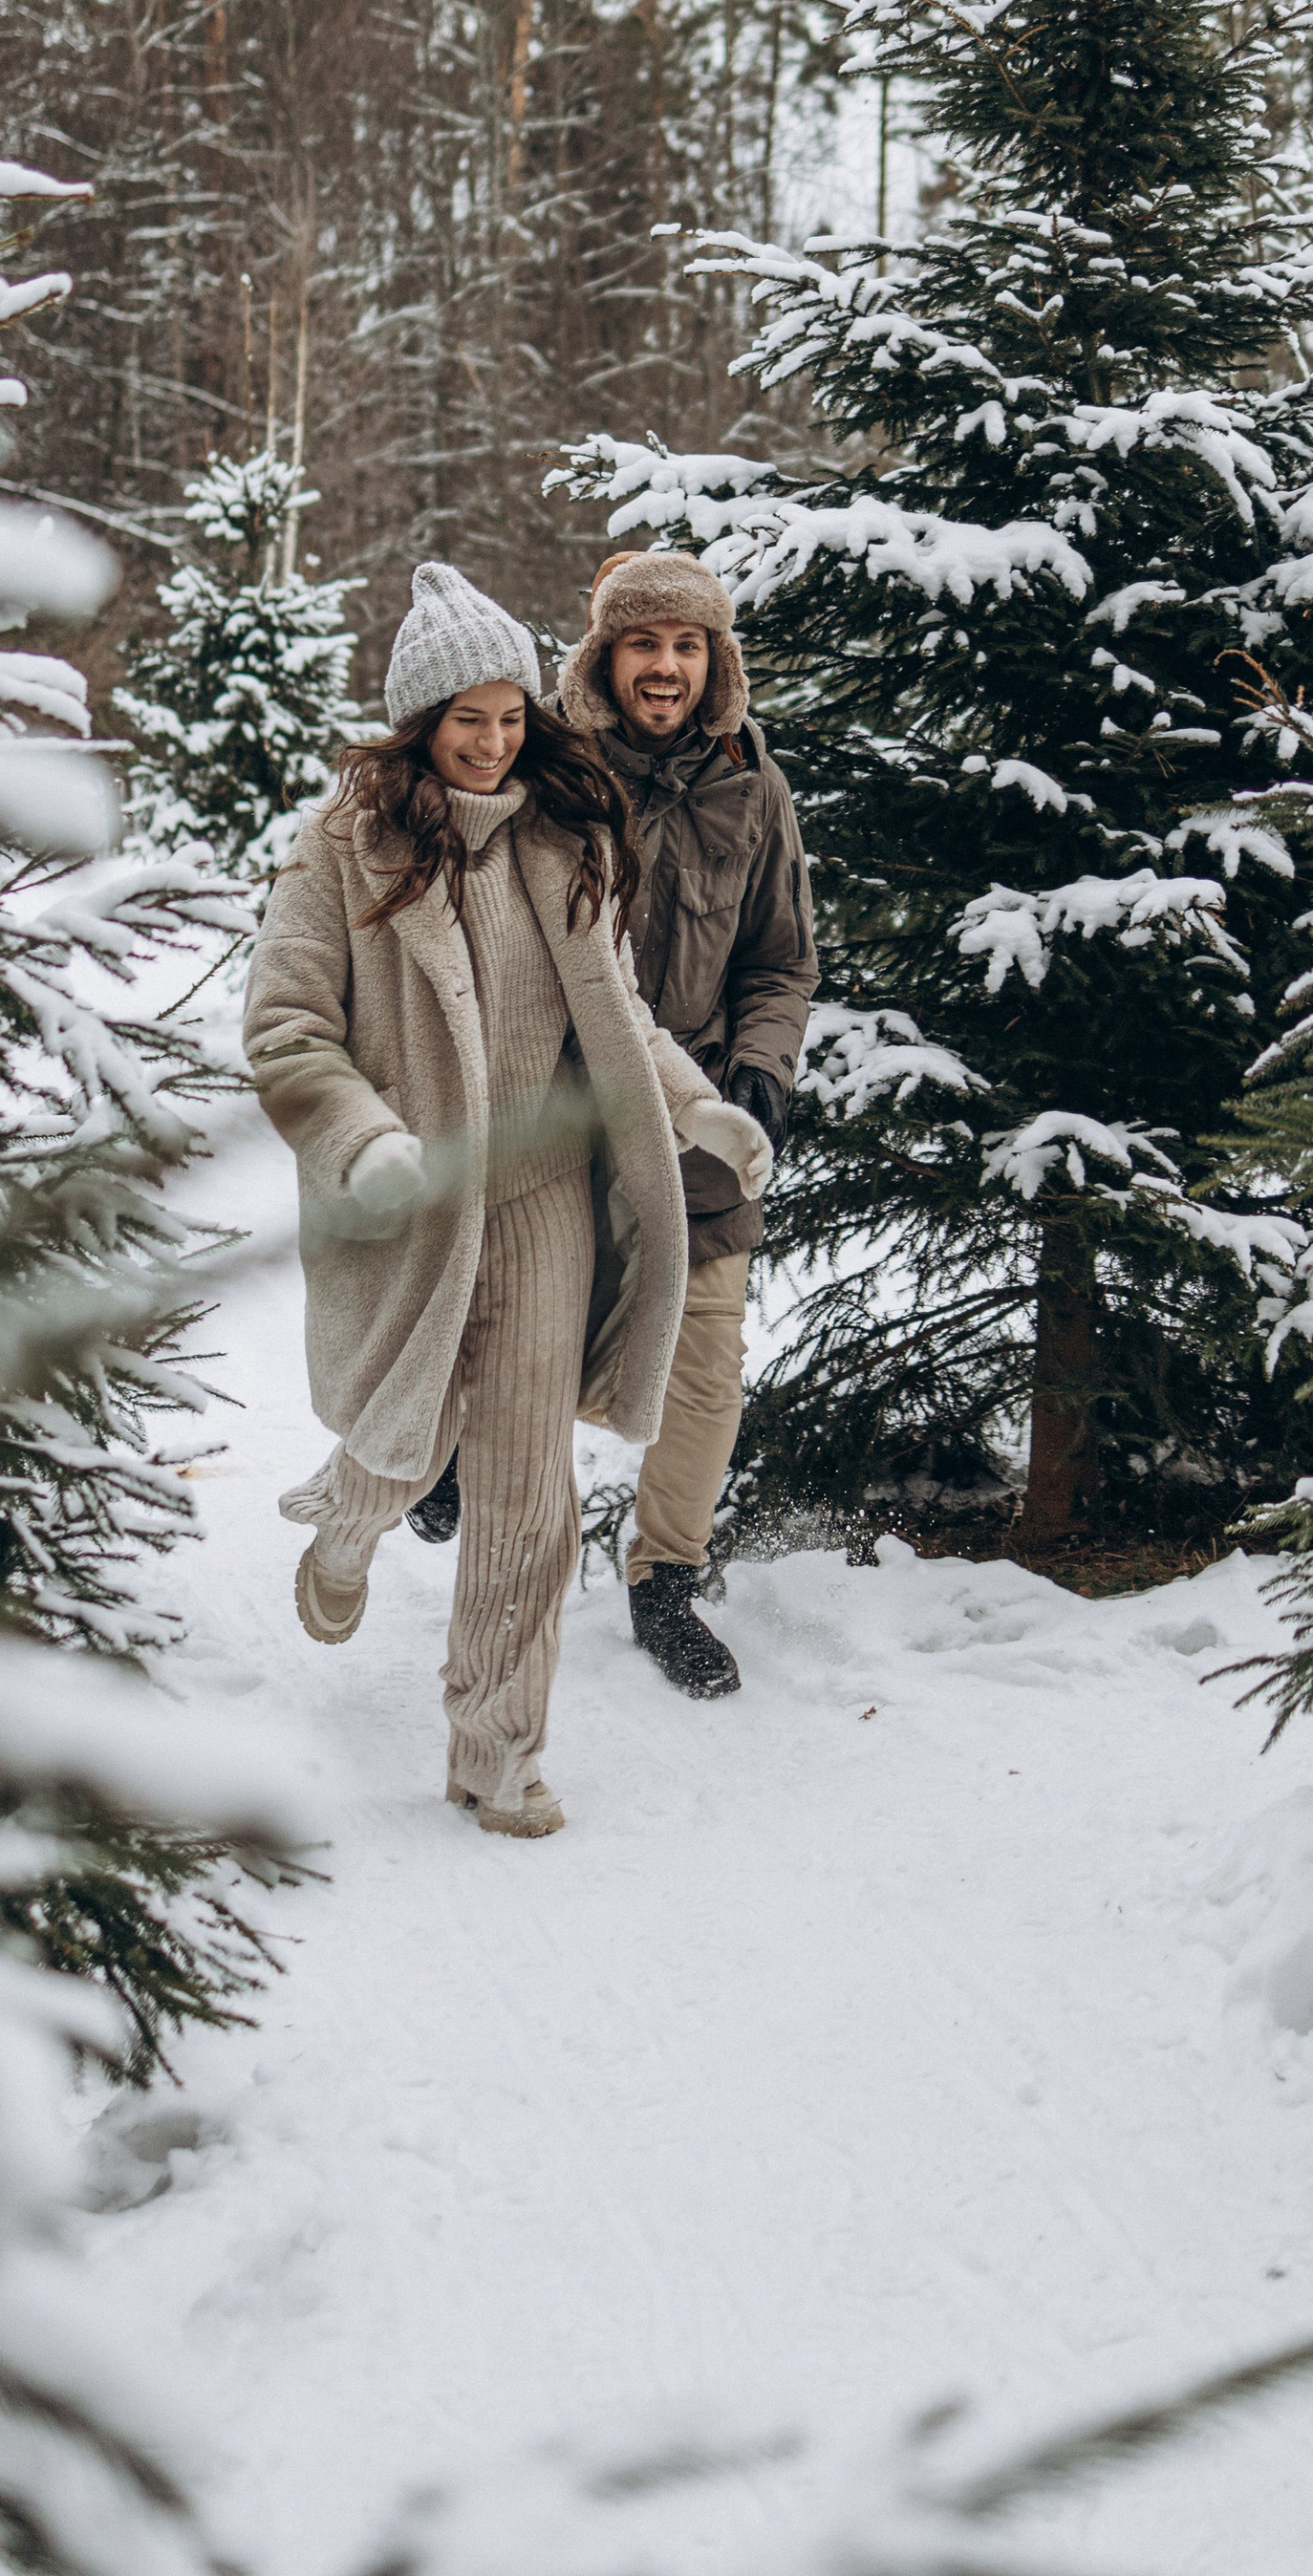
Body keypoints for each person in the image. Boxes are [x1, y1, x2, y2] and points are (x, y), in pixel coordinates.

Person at [246, 561, 774, 1836]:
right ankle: (346, 1520)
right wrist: (365, 1143)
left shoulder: (565, 836)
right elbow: (286, 1030)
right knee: (410, 1430)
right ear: (418, 724)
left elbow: (620, 1015)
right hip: (412, 1194)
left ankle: (497, 1751)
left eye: (509, 716)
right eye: (464, 719)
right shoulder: (340, 849)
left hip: (540, 1201)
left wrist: (696, 1107)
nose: (491, 743)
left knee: (529, 1493)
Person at [416, 546, 815, 1701]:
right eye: (644, 642)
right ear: (604, 654)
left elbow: (782, 959)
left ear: (714, 660)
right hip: (556, 1108)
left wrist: (759, 1077)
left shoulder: (755, 785)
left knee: (707, 1364)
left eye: (687, 645)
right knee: (511, 1325)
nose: (666, 666)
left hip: (699, 1114)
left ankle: (667, 1579)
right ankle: (445, 1460)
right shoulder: (546, 774)